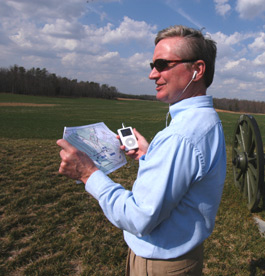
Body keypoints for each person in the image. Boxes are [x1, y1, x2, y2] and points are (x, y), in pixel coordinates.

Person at [57, 25, 227, 275]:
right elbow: (186, 179)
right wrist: (149, 155)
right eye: (152, 64)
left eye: (162, 64)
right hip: (182, 255)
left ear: (197, 70)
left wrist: (87, 173)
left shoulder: (180, 136)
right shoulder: (206, 120)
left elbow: (139, 217)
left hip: (160, 264)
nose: (152, 74)